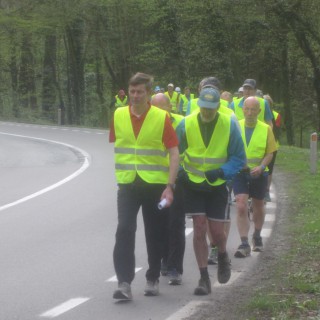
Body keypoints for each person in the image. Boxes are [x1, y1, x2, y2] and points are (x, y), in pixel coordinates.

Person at [110, 72, 180, 300]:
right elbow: (118, 144)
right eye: (132, 91)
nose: (135, 96)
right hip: (128, 184)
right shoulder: (119, 114)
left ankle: (152, 277)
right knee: (124, 230)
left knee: (155, 232)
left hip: (155, 185)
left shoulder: (161, 117)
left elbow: (173, 153)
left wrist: (170, 186)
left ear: (148, 94)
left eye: (140, 92)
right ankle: (124, 282)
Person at [176, 86, 246, 295]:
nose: (207, 112)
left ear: (218, 107)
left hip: (217, 185)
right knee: (199, 228)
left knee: (216, 233)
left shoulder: (228, 124)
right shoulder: (186, 123)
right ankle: (204, 278)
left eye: (211, 109)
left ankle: (223, 254)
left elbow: (239, 158)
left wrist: (223, 171)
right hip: (193, 183)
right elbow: (173, 152)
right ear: (199, 105)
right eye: (204, 108)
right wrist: (179, 171)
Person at [233, 97, 277, 258]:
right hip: (240, 173)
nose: (250, 112)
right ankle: (244, 242)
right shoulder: (235, 125)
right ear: (243, 109)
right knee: (241, 205)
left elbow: (270, 153)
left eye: (253, 110)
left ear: (259, 111)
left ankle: (257, 235)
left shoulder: (266, 129)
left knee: (258, 204)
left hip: (259, 173)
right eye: (247, 109)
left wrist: (262, 167)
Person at [151, 93, 185, 285]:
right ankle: (163, 259)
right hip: (155, 180)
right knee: (159, 223)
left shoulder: (181, 123)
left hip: (177, 180)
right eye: (154, 108)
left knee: (176, 223)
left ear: (170, 107)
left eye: (162, 108)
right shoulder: (150, 122)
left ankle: (174, 268)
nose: (159, 112)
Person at [263, 94, 281, 202]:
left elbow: (277, 131)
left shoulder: (276, 115)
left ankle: (267, 191)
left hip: (273, 144)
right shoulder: (257, 113)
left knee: (269, 170)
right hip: (260, 145)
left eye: (267, 103)